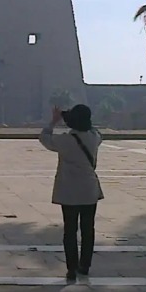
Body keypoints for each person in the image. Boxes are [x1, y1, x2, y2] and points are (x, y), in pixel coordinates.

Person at [38, 104, 104, 281]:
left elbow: (44, 138)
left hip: (69, 190)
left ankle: (71, 267)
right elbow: (96, 131)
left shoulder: (64, 141)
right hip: (89, 189)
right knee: (88, 229)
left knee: (70, 230)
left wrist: (54, 120)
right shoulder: (94, 137)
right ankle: (85, 265)